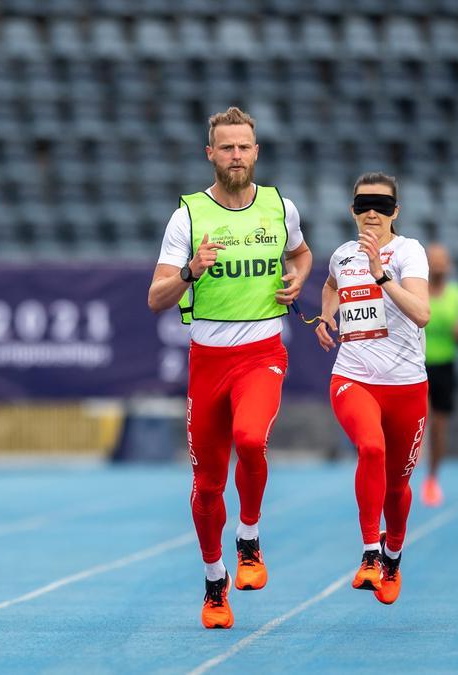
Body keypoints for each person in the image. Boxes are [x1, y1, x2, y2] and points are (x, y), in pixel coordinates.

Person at [147, 107, 313, 629]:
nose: (236, 156)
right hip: (207, 360)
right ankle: (215, 581)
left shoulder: (279, 208)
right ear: (211, 154)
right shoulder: (188, 216)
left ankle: (249, 539)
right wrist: (192, 270)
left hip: (262, 351)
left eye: (244, 146)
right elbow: (156, 297)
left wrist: (298, 279)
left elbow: (303, 254)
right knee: (206, 485)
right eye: (227, 147)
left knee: (251, 438)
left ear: (256, 152)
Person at [315, 172, 430, 606]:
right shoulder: (343, 255)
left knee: (398, 487)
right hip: (353, 377)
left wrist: (382, 277)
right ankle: (369, 553)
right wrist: (327, 317)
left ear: (395, 212)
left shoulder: (409, 252)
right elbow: (330, 285)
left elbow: (422, 313)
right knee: (371, 450)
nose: (372, 214)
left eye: (382, 207)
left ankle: (393, 556)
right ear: (352, 210)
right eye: (364, 205)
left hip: (405, 386)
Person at [420, 244, 458, 507]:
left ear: (449, 266)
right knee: (422, 420)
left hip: (445, 366)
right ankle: (405, 473)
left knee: (439, 427)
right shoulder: (416, 290)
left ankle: (432, 478)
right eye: (434, 262)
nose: (439, 267)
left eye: (443, 262)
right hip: (417, 365)